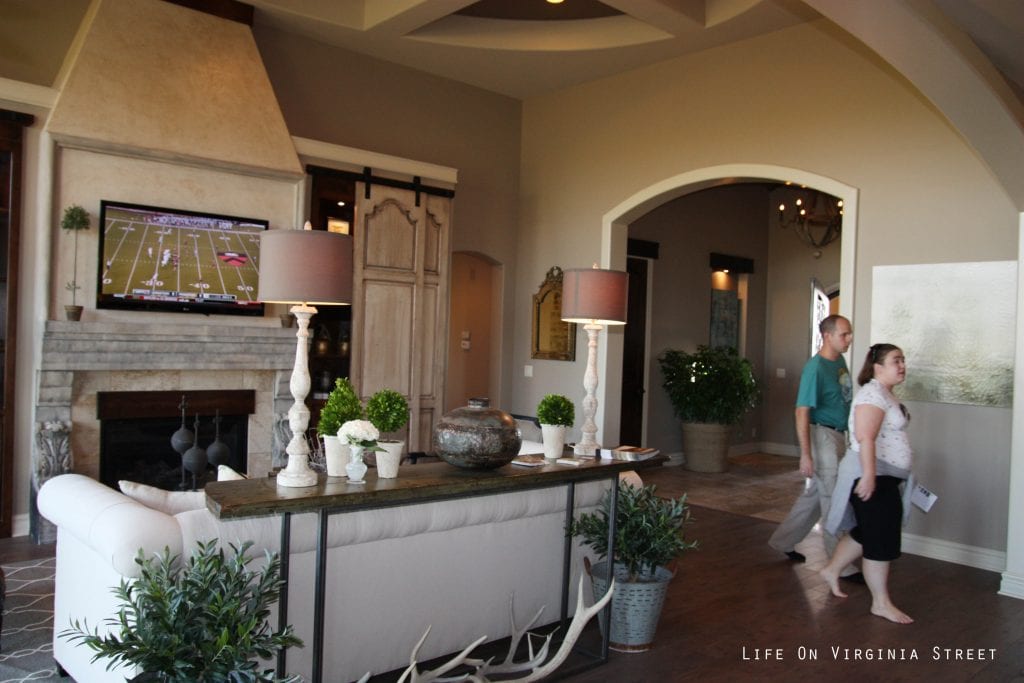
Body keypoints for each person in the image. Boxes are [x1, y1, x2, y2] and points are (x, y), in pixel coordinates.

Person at [820, 343, 914, 624]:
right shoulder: (872, 393)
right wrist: (870, 475)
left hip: (884, 475)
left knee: (868, 531)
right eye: (895, 360)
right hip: (872, 475)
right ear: (878, 366)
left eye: (903, 360)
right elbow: (865, 437)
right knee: (880, 538)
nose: (902, 366)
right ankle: (881, 603)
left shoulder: (885, 394)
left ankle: (832, 569)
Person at [768, 314, 853, 564]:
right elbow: (801, 411)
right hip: (823, 436)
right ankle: (839, 563)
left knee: (816, 495)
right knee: (832, 499)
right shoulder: (814, 368)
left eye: (849, 334)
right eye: (844, 334)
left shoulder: (839, 362)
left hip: (839, 435)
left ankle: (783, 541)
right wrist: (806, 455)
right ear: (828, 336)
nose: (849, 339)